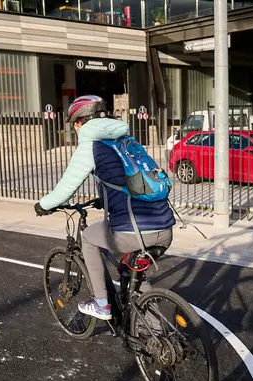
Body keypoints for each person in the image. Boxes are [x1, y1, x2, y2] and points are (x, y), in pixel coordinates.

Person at [34, 95, 175, 320]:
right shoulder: (126, 140)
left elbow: (65, 189)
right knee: (132, 272)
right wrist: (104, 199)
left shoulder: (91, 146)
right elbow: (130, 179)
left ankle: (101, 304)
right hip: (165, 228)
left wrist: (43, 205)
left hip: (134, 230)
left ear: (80, 122)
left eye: (74, 125)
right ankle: (157, 333)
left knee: (89, 238)